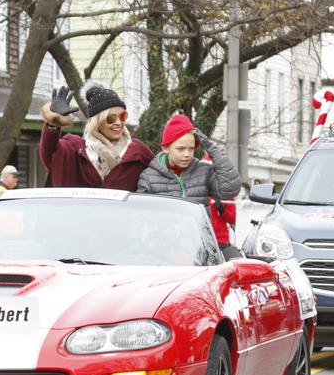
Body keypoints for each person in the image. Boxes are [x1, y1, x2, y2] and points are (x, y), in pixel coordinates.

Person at [137, 114, 243, 258]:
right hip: (161, 252)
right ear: (166, 148)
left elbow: (229, 188)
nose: (187, 154)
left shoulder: (203, 171)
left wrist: (213, 151)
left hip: (200, 250)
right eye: (180, 149)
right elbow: (141, 219)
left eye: (191, 149)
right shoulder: (148, 177)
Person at [39, 82, 153, 189]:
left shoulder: (137, 152)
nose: (119, 123)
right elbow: (50, 154)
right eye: (111, 118)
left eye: (122, 116)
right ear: (97, 122)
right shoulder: (75, 149)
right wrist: (53, 122)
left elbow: (160, 177)